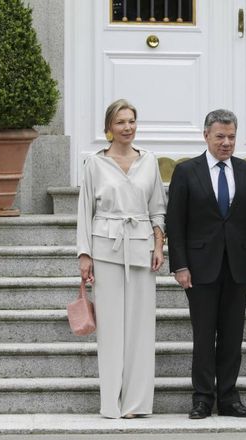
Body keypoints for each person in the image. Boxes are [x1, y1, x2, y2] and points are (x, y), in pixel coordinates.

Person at [166, 109, 246, 419]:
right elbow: (175, 223)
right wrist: (179, 265)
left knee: (232, 336)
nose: (226, 143)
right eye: (220, 136)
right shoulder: (186, 172)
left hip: (237, 266)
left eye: (232, 137)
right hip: (200, 268)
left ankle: (228, 398)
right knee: (204, 334)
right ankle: (202, 398)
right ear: (206, 136)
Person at [76, 99, 167, 418]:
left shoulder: (150, 161)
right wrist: (84, 254)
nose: (127, 127)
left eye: (131, 121)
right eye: (120, 122)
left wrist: (159, 245)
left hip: (142, 248)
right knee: (111, 329)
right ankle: (111, 403)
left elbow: (158, 208)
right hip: (106, 249)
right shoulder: (94, 163)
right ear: (108, 128)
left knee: (142, 329)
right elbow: (84, 210)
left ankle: (136, 403)